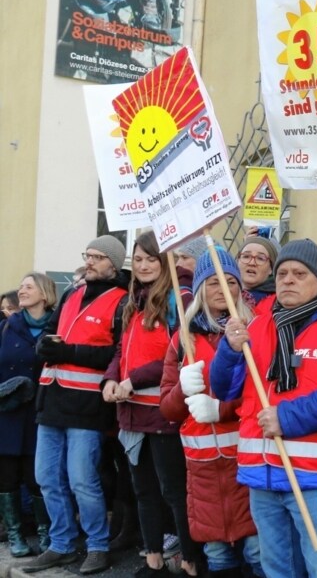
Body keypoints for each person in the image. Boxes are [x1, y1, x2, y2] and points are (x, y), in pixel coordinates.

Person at [209, 239, 317, 578]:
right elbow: (224, 390)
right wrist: (228, 349)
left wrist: (286, 417)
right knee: (275, 570)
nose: (288, 279)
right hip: (262, 473)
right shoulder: (256, 324)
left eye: (299, 273)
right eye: (282, 272)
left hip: (315, 476)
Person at [29, 235, 129, 574]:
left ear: (114, 265)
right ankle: (61, 544)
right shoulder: (72, 292)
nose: (90, 261)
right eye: (88, 255)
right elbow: (54, 332)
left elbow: (118, 355)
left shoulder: (122, 300)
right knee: (46, 477)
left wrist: (68, 353)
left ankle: (97, 546)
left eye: (98, 257)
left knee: (82, 480)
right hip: (52, 399)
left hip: (87, 406)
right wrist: (45, 344)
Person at [102, 232, 201, 576]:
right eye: (138, 259)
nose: (143, 266)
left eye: (151, 259)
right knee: (143, 490)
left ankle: (189, 559)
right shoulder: (134, 298)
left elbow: (180, 354)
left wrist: (134, 379)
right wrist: (112, 378)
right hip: (131, 412)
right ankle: (153, 558)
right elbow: (121, 350)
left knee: (174, 491)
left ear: (166, 262)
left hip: (163, 411)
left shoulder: (179, 297)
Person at [159, 247, 262, 578]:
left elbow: (263, 393)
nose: (224, 289)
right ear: (202, 287)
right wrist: (182, 391)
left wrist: (222, 409)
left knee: (258, 550)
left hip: (248, 460)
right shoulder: (182, 340)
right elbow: (168, 409)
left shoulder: (255, 331)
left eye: (231, 281)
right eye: (214, 282)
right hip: (202, 468)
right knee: (217, 552)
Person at [0, 273, 57, 557]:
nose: (21, 290)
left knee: (38, 476)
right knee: (7, 477)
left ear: (44, 294)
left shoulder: (56, 326)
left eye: (29, 287)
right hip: (8, 413)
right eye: (21, 286)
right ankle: (15, 536)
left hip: (41, 413)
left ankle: (46, 534)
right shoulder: (7, 327)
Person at [238, 236, 279, 315]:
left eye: (260, 258)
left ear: (271, 268)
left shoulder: (278, 303)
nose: (252, 263)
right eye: (246, 256)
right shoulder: (223, 296)